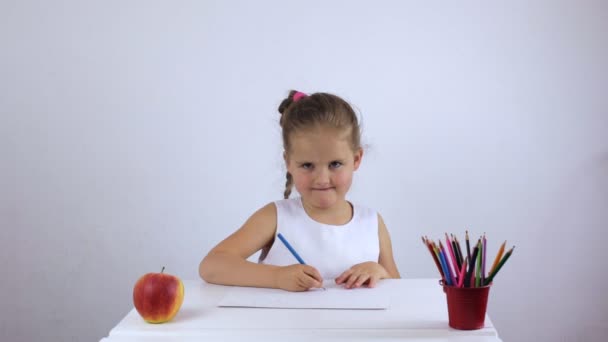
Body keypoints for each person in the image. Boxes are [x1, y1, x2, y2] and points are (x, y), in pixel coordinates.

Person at [199, 90, 400, 292]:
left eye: (335, 164)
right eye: (307, 165)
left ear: (357, 159)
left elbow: (400, 289)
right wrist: (277, 277)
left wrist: (380, 272)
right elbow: (212, 266)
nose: (322, 179)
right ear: (288, 162)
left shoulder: (372, 223)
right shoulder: (275, 218)